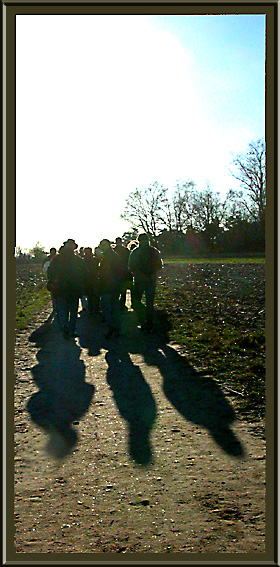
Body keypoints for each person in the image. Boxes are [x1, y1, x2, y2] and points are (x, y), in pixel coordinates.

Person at [47, 238, 87, 339]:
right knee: (73, 312)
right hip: (74, 290)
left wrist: (53, 282)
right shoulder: (78, 260)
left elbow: (50, 272)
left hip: (60, 290)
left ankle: (65, 328)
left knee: (62, 310)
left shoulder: (57, 259)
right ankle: (71, 330)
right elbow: (84, 274)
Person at [128, 233, 163, 332]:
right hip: (151, 280)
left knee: (137, 302)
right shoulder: (154, 251)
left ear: (138, 240)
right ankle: (150, 323)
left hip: (139, 280)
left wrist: (137, 273)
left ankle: (142, 322)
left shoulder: (135, 252)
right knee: (150, 303)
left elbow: (130, 266)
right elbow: (160, 265)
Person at [97, 239, 121, 338]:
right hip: (115, 286)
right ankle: (117, 328)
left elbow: (104, 273)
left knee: (106, 308)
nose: (103, 247)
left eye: (104, 245)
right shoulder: (115, 255)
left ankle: (112, 327)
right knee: (115, 308)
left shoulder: (106, 257)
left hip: (107, 286)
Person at [114, 237, 133, 313]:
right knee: (124, 291)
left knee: (116, 291)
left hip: (116, 273)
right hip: (125, 272)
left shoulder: (114, 251)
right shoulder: (126, 251)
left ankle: (116, 306)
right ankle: (122, 306)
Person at [82, 247, 100, 315]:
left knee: (91, 296)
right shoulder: (95, 260)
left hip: (90, 280)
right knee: (93, 296)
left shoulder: (83, 261)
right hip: (91, 280)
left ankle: (92, 309)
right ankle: (93, 309)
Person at [43, 248, 57, 313]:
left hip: (52, 279)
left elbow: (44, 269)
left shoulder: (47, 260)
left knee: (53, 294)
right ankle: (56, 307)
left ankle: (55, 307)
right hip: (56, 279)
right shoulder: (58, 258)